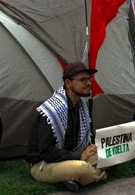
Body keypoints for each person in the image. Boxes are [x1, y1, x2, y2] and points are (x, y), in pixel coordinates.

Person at [26, 62, 107, 192]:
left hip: (70, 157)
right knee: (83, 169)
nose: (88, 83)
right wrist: (79, 155)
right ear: (68, 83)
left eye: (89, 79)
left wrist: (91, 148)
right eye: (83, 80)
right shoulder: (52, 111)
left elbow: (88, 137)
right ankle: (93, 175)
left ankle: (70, 178)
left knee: (106, 155)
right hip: (44, 164)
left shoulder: (81, 107)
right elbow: (46, 152)